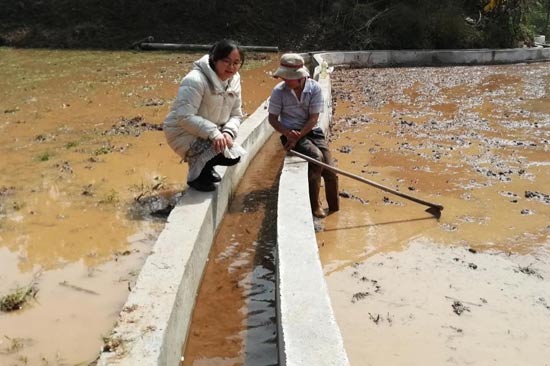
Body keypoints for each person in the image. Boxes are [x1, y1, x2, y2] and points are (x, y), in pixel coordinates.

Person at [163, 39, 247, 192]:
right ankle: (196, 178)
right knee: (218, 150)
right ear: (214, 59)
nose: (231, 67)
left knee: (234, 156)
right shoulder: (195, 80)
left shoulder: (234, 79)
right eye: (226, 61)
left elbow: (236, 113)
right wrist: (214, 134)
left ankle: (206, 168)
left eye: (236, 62)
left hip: (211, 129)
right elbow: (184, 117)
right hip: (183, 131)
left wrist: (228, 132)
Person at [268, 53, 339, 218]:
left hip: (310, 131)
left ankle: (335, 208)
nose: (284, 80)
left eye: (288, 77)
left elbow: (313, 119)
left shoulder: (314, 88)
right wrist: (288, 134)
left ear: (300, 77)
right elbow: (272, 119)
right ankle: (315, 206)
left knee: (331, 171)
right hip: (289, 133)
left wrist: (297, 137)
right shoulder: (279, 92)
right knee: (316, 158)